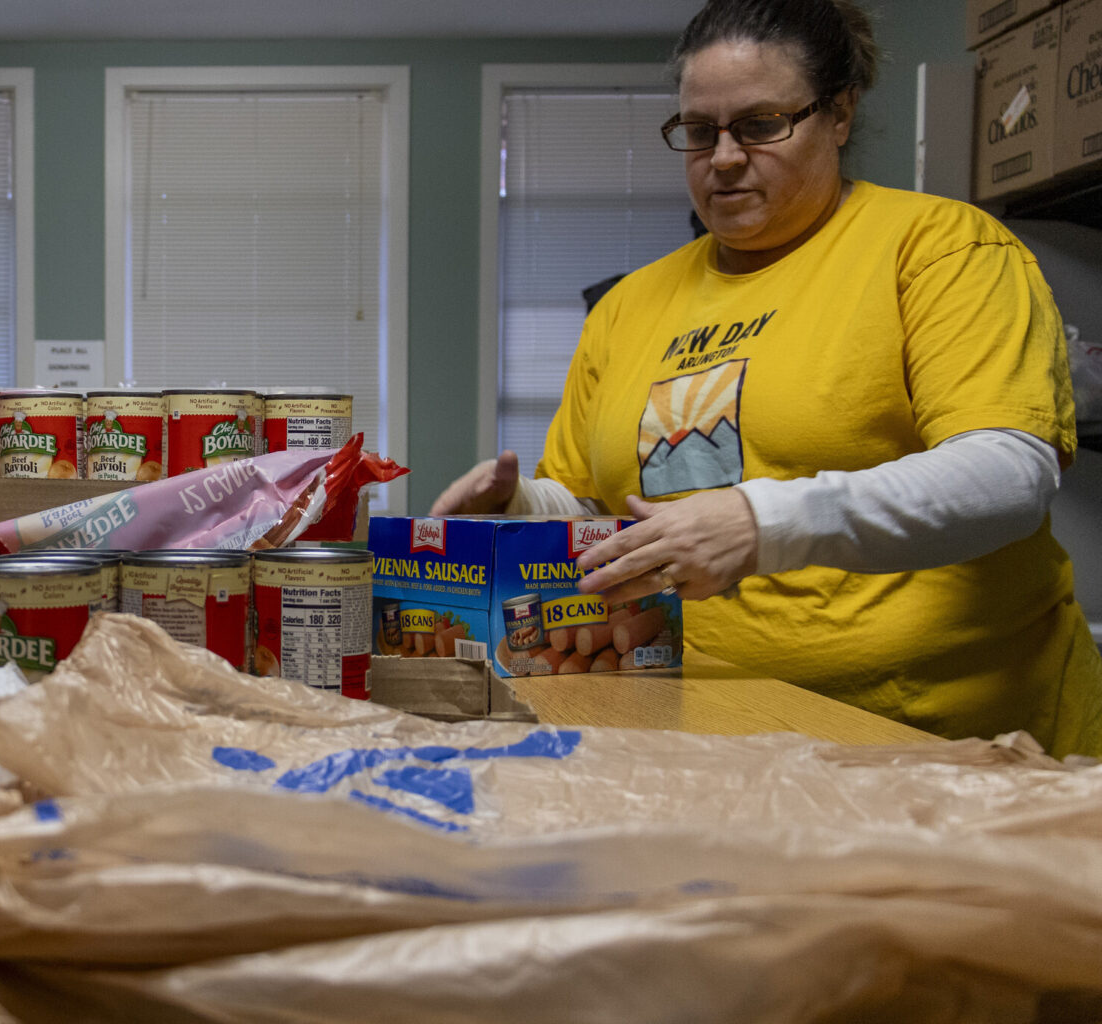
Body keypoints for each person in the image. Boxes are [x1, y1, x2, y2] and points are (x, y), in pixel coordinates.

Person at [433, 0, 1102, 756]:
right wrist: (521, 505)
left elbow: (1008, 476)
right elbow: (598, 496)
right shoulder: (627, 306)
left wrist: (761, 524)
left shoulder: (940, 247)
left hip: (949, 741)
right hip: (704, 737)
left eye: (759, 125)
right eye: (697, 132)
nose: (722, 157)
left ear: (840, 115)